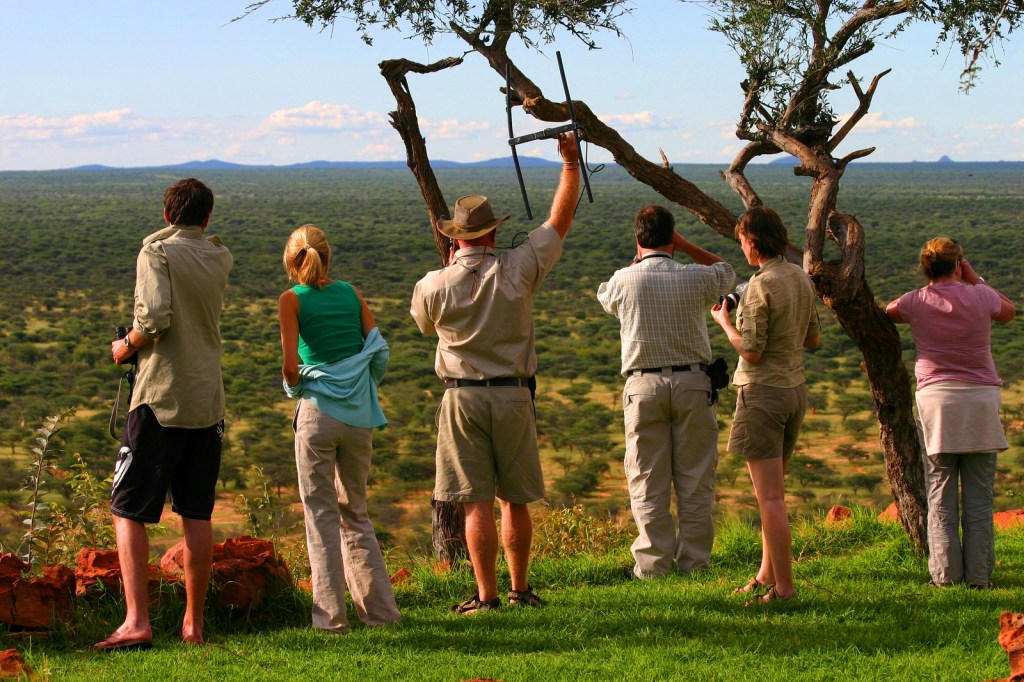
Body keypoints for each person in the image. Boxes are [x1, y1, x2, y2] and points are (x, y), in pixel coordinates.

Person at [410, 132, 581, 614]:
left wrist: (450, 273)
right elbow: (559, 221)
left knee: (474, 502)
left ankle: (485, 596)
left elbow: (425, 325)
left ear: (453, 238)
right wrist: (570, 165)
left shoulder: (433, 285)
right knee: (515, 501)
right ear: (490, 233)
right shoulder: (518, 267)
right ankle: (519, 588)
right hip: (513, 394)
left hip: (461, 398)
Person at [98, 178, 233, 650]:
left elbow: (154, 318)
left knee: (127, 508)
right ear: (208, 217)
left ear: (165, 214)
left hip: (160, 397)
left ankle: (138, 621)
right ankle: (193, 625)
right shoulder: (219, 255)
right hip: (206, 399)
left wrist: (125, 345)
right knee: (196, 512)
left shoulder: (155, 254)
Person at [596, 205, 735, 579]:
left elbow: (606, 296)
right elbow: (727, 271)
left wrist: (638, 259)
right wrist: (686, 247)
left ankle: (652, 566)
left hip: (642, 387)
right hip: (693, 383)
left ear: (638, 239)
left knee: (646, 477)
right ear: (672, 238)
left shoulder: (623, 279)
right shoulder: (696, 277)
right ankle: (695, 564)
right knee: (695, 478)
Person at [278, 224, 400, 632]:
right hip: (358, 416)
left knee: (320, 514)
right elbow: (378, 350)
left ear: (292, 262)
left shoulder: (290, 300)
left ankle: (330, 619)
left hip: (316, 415)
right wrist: (362, 387)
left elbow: (291, 366)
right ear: (327, 257)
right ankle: (381, 616)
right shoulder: (351, 292)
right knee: (356, 513)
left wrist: (296, 387)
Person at [885, 237, 1015, 588]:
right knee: (979, 494)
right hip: (980, 401)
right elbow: (1009, 310)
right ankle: (978, 577)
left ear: (926, 267)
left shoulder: (915, 301)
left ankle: (944, 577)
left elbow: (888, 310)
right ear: (959, 264)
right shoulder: (980, 295)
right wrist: (975, 280)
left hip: (937, 402)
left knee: (940, 493)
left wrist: (926, 288)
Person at [711, 206, 819, 605]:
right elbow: (813, 340)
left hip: (762, 393)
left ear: (752, 242)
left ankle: (785, 589)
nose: (742, 247)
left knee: (769, 498)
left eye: (741, 241)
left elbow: (751, 352)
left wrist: (725, 323)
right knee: (773, 492)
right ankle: (765, 575)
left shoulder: (760, 285)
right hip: (794, 390)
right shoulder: (800, 277)